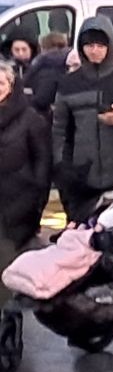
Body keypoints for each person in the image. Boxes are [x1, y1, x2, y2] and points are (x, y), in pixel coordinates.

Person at [51, 15, 113, 333]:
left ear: (110, 45)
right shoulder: (69, 83)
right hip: (85, 183)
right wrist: (63, 167)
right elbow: (59, 130)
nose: (94, 51)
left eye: (99, 45)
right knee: (85, 252)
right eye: (88, 45)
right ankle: (90, 318)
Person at [0, 60, 51, 278]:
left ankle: (11, 309)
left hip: (19, 206)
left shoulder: (31, 120)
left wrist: (35, 202)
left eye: (1, 84)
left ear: (11, 86)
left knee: (11, 266)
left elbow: (43, 164)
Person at [24, 33, 70, 114]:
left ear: (43, 47)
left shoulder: (47, 66)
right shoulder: (68, 63)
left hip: (44, 116)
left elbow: (42, 99)